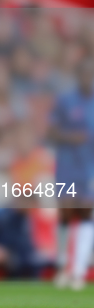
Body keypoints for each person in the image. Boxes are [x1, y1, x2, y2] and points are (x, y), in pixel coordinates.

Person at [50, 59, 94, 291]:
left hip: (89, 167)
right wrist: (70, 137)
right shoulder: (66, 101)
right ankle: (62, 265)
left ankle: (78, 272)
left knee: (86, 213)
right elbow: (51, 130)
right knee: (66, 214)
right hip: (67, 165)